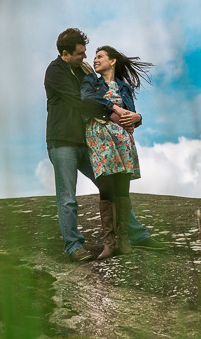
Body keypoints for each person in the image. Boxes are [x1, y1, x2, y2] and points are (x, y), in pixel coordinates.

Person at [45, 28, 162, 261]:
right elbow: (82, 100)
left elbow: (114, 96)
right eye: (80, 53)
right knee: (67, 196)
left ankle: (134, 235)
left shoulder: (86, 72)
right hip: (64, 141)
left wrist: (134, 118)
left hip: (91, 141)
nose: (86, 57)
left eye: (87, 53)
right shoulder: (54, 72)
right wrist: (113, 113)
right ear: (65, 54)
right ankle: (73, 246)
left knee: (111, 187)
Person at [80, 45, 152, 260]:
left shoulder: (124, 87)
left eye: (100, 56)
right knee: (106, 185)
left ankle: (123, 241)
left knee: (122, 188)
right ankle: (110, 243)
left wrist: (138, 117)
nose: (95, 60)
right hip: (100, 135)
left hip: (122, 139)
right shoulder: (91, 81)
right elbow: (87, 99)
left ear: (112, 61)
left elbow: (131, 116)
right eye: (94, 57)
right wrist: (115, 108)